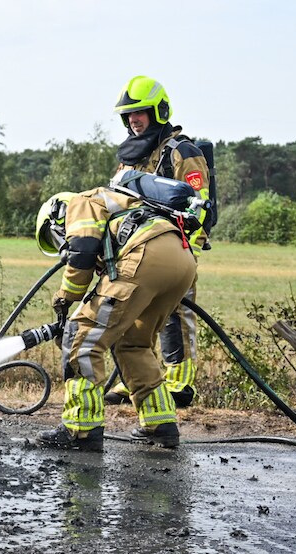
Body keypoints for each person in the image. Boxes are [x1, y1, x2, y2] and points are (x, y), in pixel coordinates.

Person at [33, 172, 199, 450]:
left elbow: (81, 251)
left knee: (82, 337)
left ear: (55, 216)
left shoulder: (80, 202)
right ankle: (161, 424)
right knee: (133, 342)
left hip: (146, 254)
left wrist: (66, 297)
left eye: (55, 237)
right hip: (182, 259)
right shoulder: (122, 202)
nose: (60, 243)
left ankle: (80, 429)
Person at [102, 76, 213, 409]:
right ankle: (135, 380)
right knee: (132, 312)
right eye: (128, 115)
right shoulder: (131, 156)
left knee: (175, 315)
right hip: (134, 250)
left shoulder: (182, 152)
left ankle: (180, 383)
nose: (133, 120)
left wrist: (184, 246)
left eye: (140, 113)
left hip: (173, 249)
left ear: (159, 111)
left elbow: (200, 205)